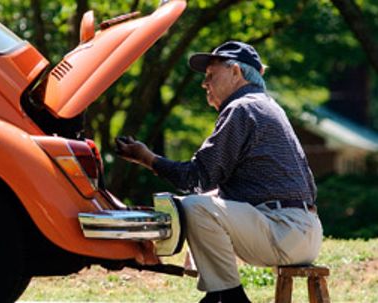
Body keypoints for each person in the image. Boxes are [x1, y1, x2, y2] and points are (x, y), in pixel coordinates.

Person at [115, 41, 323, 303]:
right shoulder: (265, 105)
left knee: (194, 206)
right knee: (196, 205)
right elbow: (216, 188)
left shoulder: (242, 108)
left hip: (283, 228)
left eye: (211, 76)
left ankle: (229, 297)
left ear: (235, 72)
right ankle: (221, 295)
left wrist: (146, 158)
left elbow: (196, 178)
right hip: (303, 230)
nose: (205, 84)